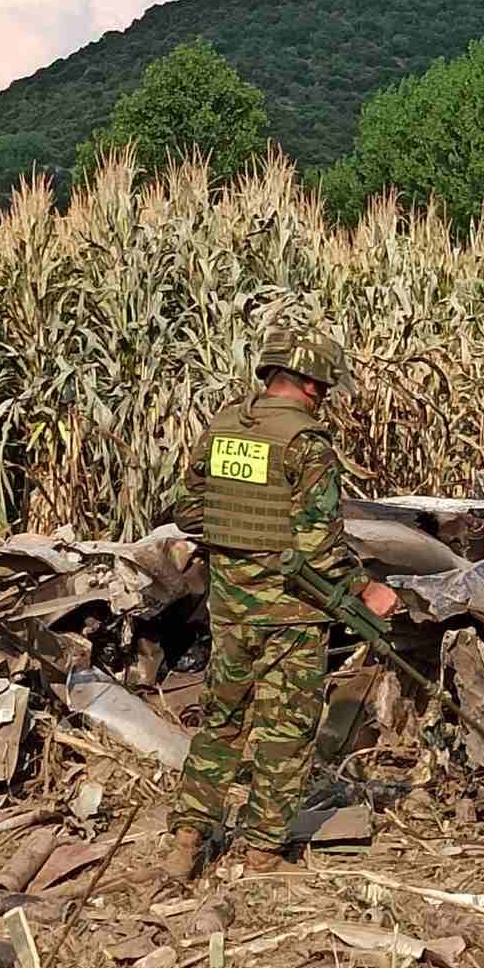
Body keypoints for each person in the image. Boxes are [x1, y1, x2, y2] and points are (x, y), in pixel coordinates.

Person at [162, 326, 397, 879]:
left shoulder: (223, 428)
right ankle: (263, 849)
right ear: (314, 386)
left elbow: (188, 513)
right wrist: (368, 589)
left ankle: (188, 837)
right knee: (284, 729)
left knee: (222, 720)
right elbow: (319, 549)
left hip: (230, 607)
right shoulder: (305, 443)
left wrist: (239, 553)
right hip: (291, 611)